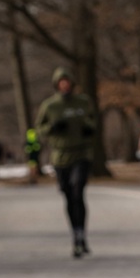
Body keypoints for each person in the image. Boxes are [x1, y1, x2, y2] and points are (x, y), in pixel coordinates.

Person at [34, 66, 97, 256]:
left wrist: (89, 127)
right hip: (60, 157)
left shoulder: (83, 102)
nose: (65, 85)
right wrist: (52, 127)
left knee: (78, 192)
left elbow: (94, 121)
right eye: (61, 83)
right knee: (69, 196)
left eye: (67, 82)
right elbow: (39, 129)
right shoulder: (50, 106)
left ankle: (82, 234)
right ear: (57, 85)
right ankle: (75, 234)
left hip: (81, 154)